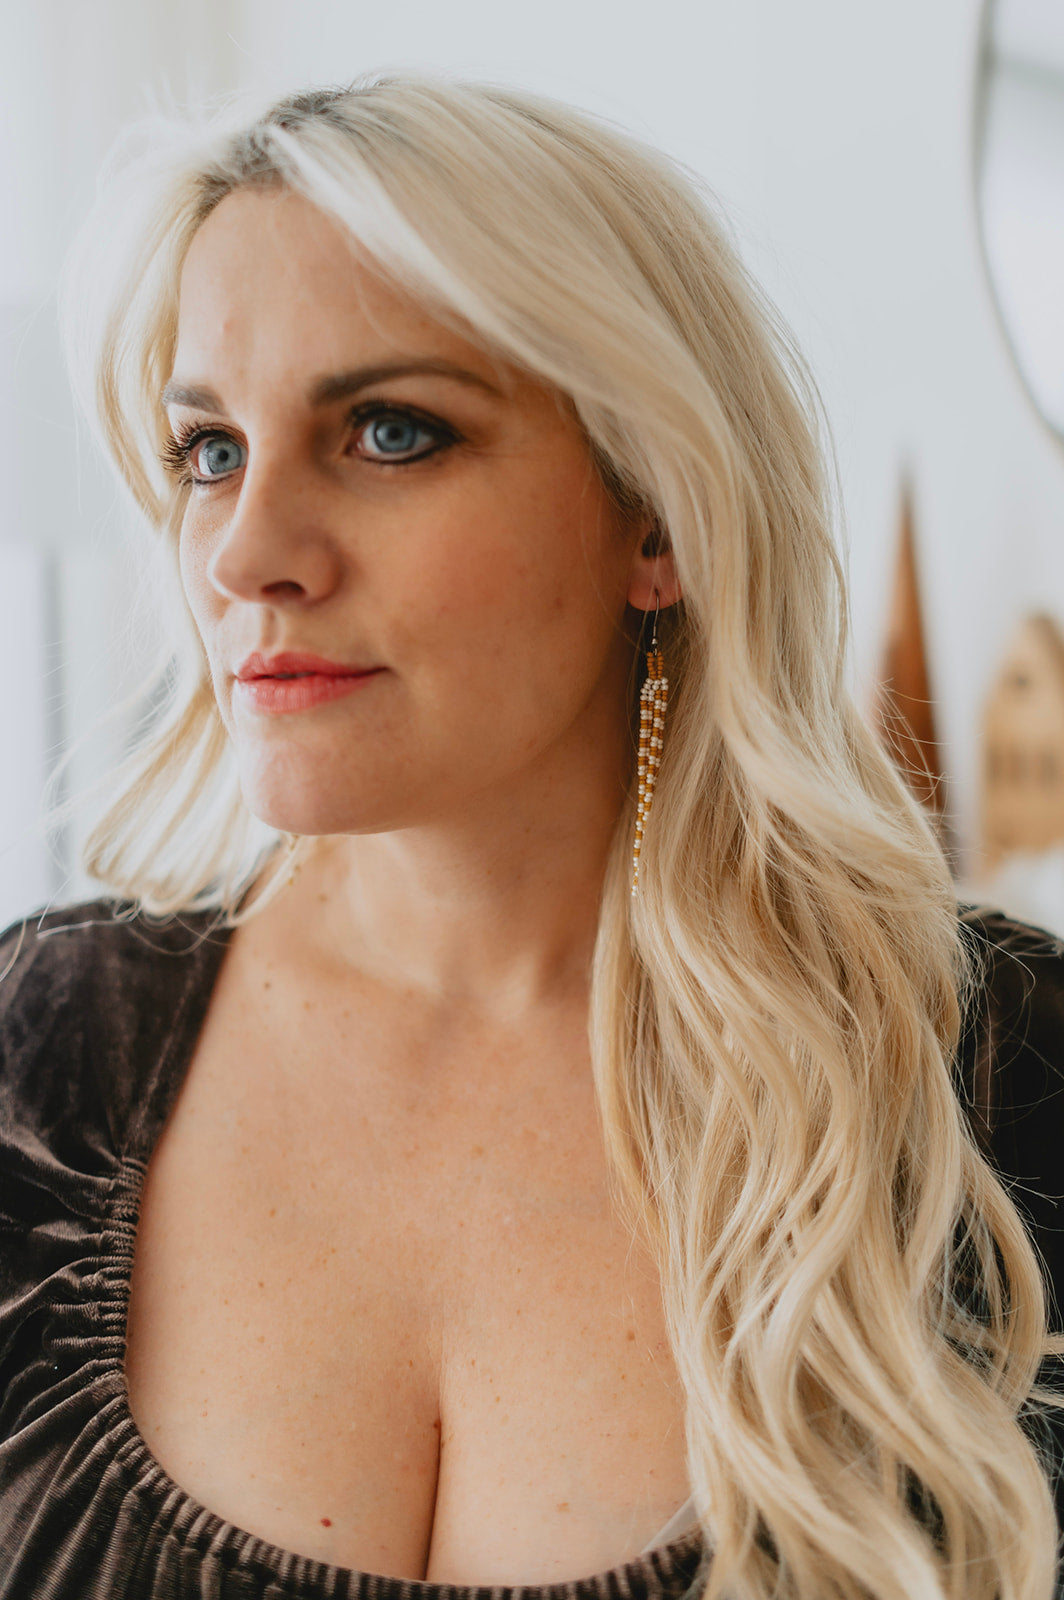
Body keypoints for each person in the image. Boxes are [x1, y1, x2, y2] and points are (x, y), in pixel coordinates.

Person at [1, 75, 1062, 1600]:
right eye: (211, 451)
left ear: (656, 520)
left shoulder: (994, 1079)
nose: (245, 552)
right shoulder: (38, 1065)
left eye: (389, 431)